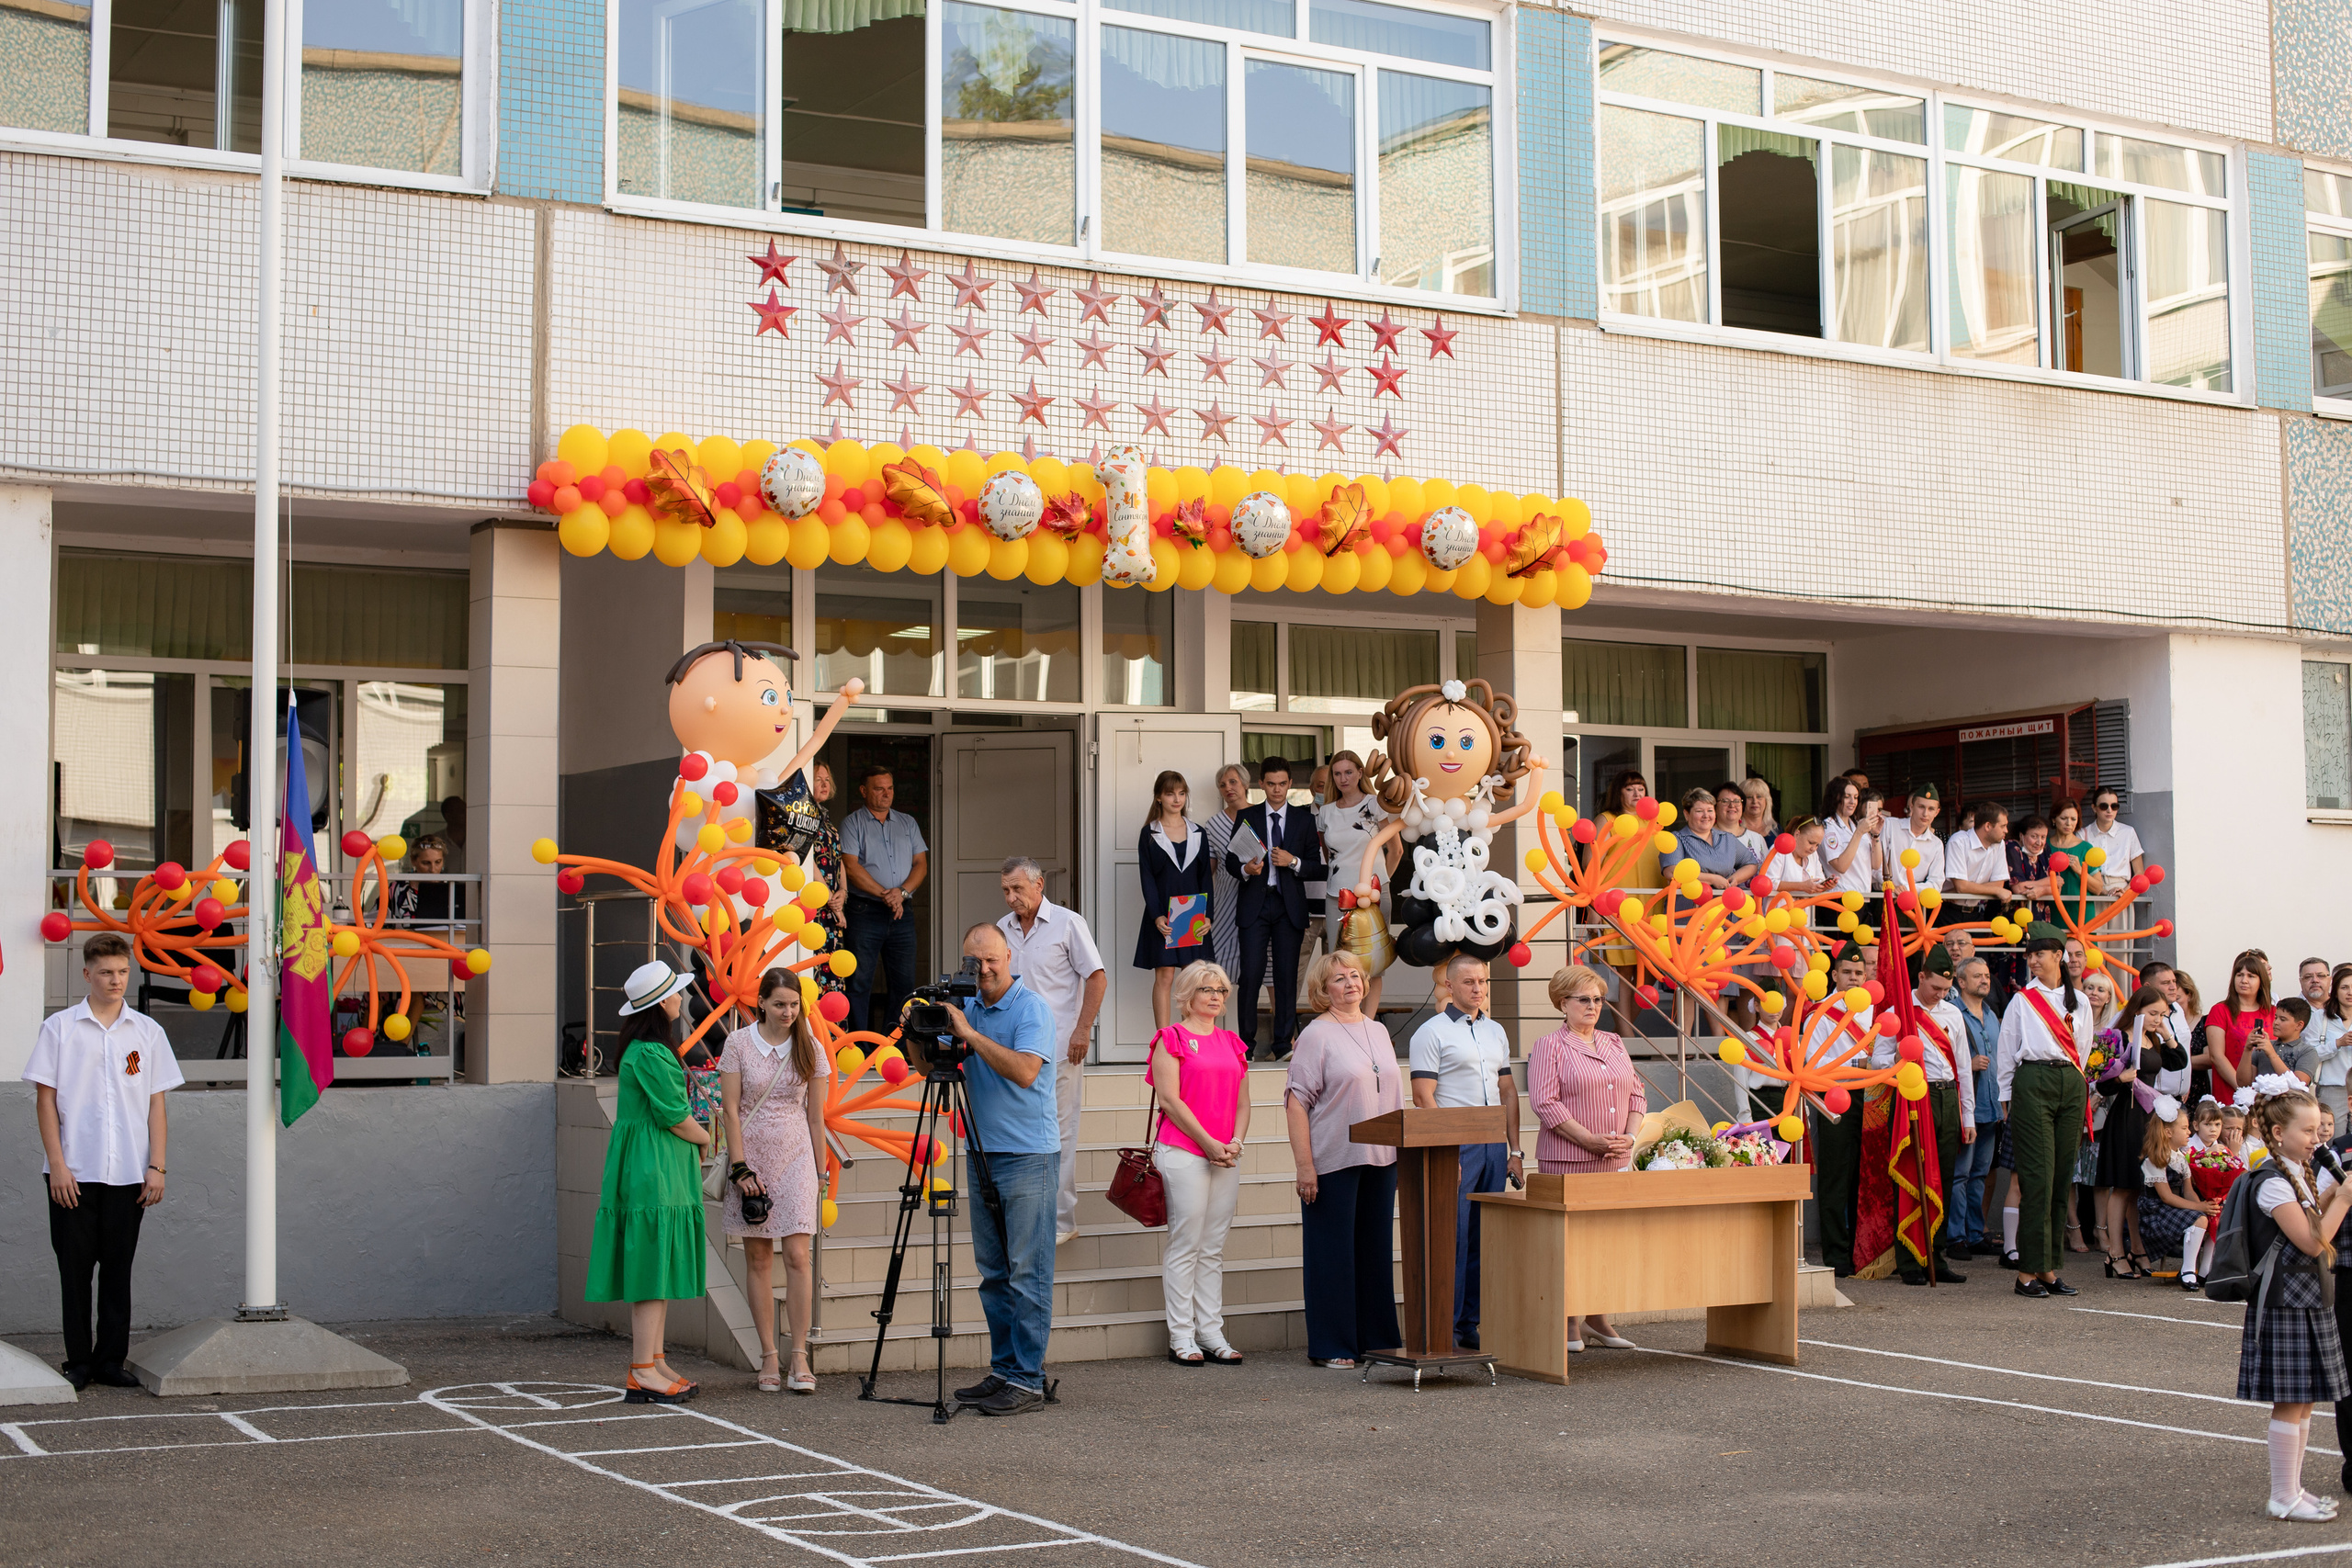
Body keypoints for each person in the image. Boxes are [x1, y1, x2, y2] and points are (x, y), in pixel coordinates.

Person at [26, 932, 177, 1391]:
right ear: (87, 973)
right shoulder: (60, 1029)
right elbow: (46, 1100)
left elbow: (156, 1104)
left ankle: (111, 1360)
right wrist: (57, 1165)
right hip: (74, 1172)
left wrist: (157, 1166)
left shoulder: (147, 1032)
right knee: (74, 1273)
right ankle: (78, 1362)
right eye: (106, 972)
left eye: (123, 972)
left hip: (128, 1173)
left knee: (117, 1269)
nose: (116, 981)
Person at [936, 924, 1061, 1416]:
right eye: (975, 962)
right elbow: (932, 1068)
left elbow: (1026, 1071)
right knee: (993, 1273)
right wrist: (919, 1033)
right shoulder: (965, 1006)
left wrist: (969, 1034)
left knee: (1027, 1273)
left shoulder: (1031, 1008)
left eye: (992, 960)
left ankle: (1028, 1380)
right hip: (981, 1152)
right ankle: (1006, 1370)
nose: (984, 970)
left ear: (1009, 956)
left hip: (1029, 1154)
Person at [586, 960, 711, 1404]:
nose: (680, 998)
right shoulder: (653, 1053)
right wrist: (706, 1138)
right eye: (675, 993)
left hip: (653, 1163)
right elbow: (674, 1115)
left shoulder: (641, 1050)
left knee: (655, 1263)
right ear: (660, 1004)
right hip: (655, 1166)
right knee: (652, 1267)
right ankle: (643, 1368)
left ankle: (653, 1362)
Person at [1286, 951, 1404, 1370]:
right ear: (1323, 989)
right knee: (1332, 1254)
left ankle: (1378, 1340)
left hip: (1382, 1158)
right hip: (1333, 1158)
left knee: (1375, 1252)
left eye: (1355, 975)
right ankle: (1332, 1343)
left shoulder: (1378, 1030)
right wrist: (1305, 1166)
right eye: (1339, 978)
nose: (1351, 983)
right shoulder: (1316, 1034)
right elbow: (1297, 1102)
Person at [2238, 1088, 2350, 1522]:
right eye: (2307, 1131)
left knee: (2304, 1401)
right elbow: (2310, 1242)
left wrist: (2330, 1195)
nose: (2316, 1138)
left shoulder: (2296, 1173)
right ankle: (2282, 1495)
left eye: (2319, 1129)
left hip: (2307, 1296)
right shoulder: (2271, 1181)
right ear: (2278, 1133)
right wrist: (2344, 1199)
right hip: (2285, 1300)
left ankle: (2294, 1489)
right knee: (2289, 1401)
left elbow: (2312, 1220)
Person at [1527, 964, 1645, 1348]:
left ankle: (1597, 1318)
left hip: (1614, 1161)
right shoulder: (1550, 1045)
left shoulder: (1614, 1041)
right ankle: (1567, 1321)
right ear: (1563, 1003)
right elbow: (1545, 1103)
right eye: (1584, 999)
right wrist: (1589, 1140)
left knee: (1605, 1244)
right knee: (1568, 1245)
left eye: (1598, 999)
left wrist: (1630, 1136)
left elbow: (1637, 1094)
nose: (1593, 1006)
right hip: (1569, 1161)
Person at [720, 969, 828, 1394]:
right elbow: (730, 1110)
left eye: (794, 1004)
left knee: (798, 1255)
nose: (788, 1012)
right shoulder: (738, 1043)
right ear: (761, 1002)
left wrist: (820, 1171)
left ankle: (799, 1354)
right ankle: (768, 1354)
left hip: (797, 1156)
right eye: (780, 1004)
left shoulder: (810, 1046)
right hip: (751, 1158)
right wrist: (740, 1168)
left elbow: (816, 1116)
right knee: (759, 1258)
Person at [1408, 953, 1521, 1351]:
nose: (1478, 989)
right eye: (1469, 982)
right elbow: (1423, 1096)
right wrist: (1445, 1151)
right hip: (1456, 1141)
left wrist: (1515, 1150)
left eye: (1483, 981)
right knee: (1453, 1236)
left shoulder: (1496, 1031)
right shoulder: (1431, 1032)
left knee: (1483, 1237)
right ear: (1449, 986)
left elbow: (1508, 1091)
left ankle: (1469, 1323)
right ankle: (1445, 1326)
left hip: (1493, 1141)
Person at [996, 857, 1106, 1250]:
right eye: (1006, 890)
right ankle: (1024, 1214)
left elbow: (1096, 977)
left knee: (1060, 1134)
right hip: (1014, 1054)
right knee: (1019, 1133)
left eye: (1018, 888)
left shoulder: (1068, 923)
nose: (1011, 897)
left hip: (1060, 1049)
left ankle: (1062, 1220)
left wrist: (1083, 1030)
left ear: (1039, 884)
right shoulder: (1001, 929)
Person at [1148, 961, 1252, 1367]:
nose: (1215, 996)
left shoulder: (1232, 1042)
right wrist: (1208, 1143)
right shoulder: (1170, 1038)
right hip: (1183, 1151)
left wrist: (1235, 1142)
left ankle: (1211, 1332)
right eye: (1207, 989)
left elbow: (1243, 1102)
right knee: (1186, 1245)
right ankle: (1181, 1335)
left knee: (1212, 1248)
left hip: (1225, 1155)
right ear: (1187, 994)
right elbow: (1169, 1101)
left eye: (1221, 990)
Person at [1998, 932, 2095, 1298]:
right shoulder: (2022, 1000)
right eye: (2030, 955)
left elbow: (2083, 1048)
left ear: (2058, 956)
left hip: (2070, 1081)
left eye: (2040, 954)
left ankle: (2048, 1268)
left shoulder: (2080, 1000)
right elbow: (2007, 1049)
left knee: (2060, 1176)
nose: (2033, 961)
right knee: (2037, 1177)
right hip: (2034, 1078)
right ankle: (2026, 1272)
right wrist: (2005, 1095)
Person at [1226, 757, 1323, 1060]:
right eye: (1271, 784)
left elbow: (1316, 866)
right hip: (1255, 904)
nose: (1277, 789)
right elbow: (1231, 860)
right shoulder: (1247, 815)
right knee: (1250, 977)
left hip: (1288, 906)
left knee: (1286, 976)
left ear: (1290, 783)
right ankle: (1244, 1047)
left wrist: (1293, 861)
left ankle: (1283, 1045)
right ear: (1261, 784)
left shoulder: (1304, 820)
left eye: (1282, 784)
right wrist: (1246, 869)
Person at [1893, 948, 1973, 1285]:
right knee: (1913, 1173)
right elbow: (1880, 1060)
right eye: (1935, 987)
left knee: (1945, 1177)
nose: (1940, 995)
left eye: (1945, 989)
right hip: (1915, 1097)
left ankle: (1936, 1257)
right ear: (1921, 977)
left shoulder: (1953, 1013)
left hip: (1947, 1096)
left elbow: (1964, 1067)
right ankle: (1909, 1261)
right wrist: (1903, 1061)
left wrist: (1968, 1116)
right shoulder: (1899, 1010)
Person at [2095, 983, 2183, 1277]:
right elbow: (2102, 1084)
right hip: (2126, 1115)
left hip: (2148, 1117)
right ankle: (2115, 1253)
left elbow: (2178, 1061)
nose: (2158, 1019)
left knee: (2137, 1187)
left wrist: (2166, 1033)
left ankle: (2138, 1249)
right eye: (2153, 1013)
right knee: (2122, 1186)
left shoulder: (2152, 1038)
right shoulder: (2120, 1037)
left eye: (2162, 1014)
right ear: (2137, 1010)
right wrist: (2120, 1078)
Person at [840, 764, 928, 1032]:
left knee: (904, 984)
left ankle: (894, 1043)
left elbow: (921, 864)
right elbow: (851, 867)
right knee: (859, 982)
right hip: (864, 911)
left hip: (902, 912)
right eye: (879, 789)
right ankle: (860, 1046)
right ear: (864, 791)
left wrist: (901, 894)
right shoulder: (852, 823)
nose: (886, 794)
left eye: (890, 788)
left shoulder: (907, 823)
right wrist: (887, 895)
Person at [1810, 941, 1875, 1276]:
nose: (1853, 978)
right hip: (1835, 1095)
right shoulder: (1819, 1012)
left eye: (1859, 972)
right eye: (1847, 972)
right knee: (1836, 1176)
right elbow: (1812, 1061)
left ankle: (1861, 1249)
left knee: (1866, 1177)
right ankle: (1836, 1253)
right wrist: (1852, 1068)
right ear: (1834, 975)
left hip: (1872, 1094)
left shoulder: (1875, 1010)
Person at [1317, 750, 1397, 1018]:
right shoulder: (1325, 812)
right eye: (1337, 773)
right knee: (1337, 964)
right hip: (1337, 895)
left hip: (1374, 895)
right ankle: (1344, 1020)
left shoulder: (1376, 804)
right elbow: (1330, 856)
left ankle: (1368, 1024)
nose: (1343, 778)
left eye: (1349, 772)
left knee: (1374, 963)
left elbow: (1396, 850)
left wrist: (1380, 883)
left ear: (1360, 773)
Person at [1135, 771, 1208, 1032]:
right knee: (1165, 976)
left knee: (1192, 978)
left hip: (1192, 913)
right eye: (1170, 794)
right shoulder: (1149, 833)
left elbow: (1205, 877)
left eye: (1181, 793)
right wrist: (1157, 915)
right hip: (1163, 915)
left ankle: (1191, 1036)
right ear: (1159, 797)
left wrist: (1207, 915)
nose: (1177, 799)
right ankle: (1163, 1040)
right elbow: (1147, 878)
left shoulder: (1198, 832)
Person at [1947, 954, 2003, 1260]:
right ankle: (1955, 1237)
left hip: (1991, 1108)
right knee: (1960, 1175)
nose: (1984, 980)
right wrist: (1967, 1065)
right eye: (1977, 976)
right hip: (1965, 1108)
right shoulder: (1952, 1013)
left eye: (1987, 975)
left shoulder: (1992, 1015)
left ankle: (1974, 1233)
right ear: (1961, 982)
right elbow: (1939, 1060)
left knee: (1980, 1173)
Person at [1596, 771, 1666, 988]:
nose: (1636, 793)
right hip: (1618, 905)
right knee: (1625, 974)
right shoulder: (1607, 819)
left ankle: (1628, 1016)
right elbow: (1592, 865)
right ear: (1618, 792)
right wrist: (1594, 906)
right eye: (1630, 789)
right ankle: (1624, 1015)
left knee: (1651, 972)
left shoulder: (1655, 822)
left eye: (1641, 789)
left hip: (1652, 906)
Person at [2137, 1096, 2207, 1278]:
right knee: (2200, 1219)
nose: (2189, 1132)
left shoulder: (2180, 1158)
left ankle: (2206, 1270)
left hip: (2172, 1208)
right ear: (2168, 1132)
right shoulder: (2155, 1159)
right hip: (2156, 1213)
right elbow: (2166, 1197)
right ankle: (2188, 1271)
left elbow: (2188, 1192)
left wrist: (2204, 1208)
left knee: (2209, 1218)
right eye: (2184, 1128)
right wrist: (2198, 1208)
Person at [2202, 950, 2280, 1100]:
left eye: (2251, 976)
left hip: (2267, 1095)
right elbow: (2217, 1056)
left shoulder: (2274, 1012)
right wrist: (2244, 1091)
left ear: (2262, 981)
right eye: (2239, 975)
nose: (2244, 980)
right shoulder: (2220, 1010)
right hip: (2232, 1094)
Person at [1200, 763, 1250, 995]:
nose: (1228, 788)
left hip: (1258, 900)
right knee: (1217, 962)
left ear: (1245, 784)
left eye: (1233, 782)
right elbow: (1208, 869)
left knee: (1264, 964)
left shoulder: (1261, 815)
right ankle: (1215, 1012)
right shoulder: (1213, 824)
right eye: (1222, 785)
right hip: (1225, 901)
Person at [1660, 787, 1762, 895]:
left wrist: (1735, 878)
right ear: (1687, 814)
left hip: (1723, 903)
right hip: (1690, 903)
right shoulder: (1677, 839)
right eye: (1699, 811)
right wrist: (1712, 879)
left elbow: (1751, 863)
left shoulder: (1727, 838)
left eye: (1710, 810)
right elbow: (1671, 872)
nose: (1706, 816)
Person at [806, 761, 849, 977]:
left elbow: (837, 857)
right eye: (818, 780)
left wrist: (843, 891)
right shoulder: (805, 815)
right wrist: (831, 899)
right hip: (816, 903)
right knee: (817, 962)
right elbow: (807, 859)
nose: (824, 784)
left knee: (833, 964)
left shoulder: (824, 815)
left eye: (827, 780)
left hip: (831, 902)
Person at [1818, 777, 1877, 908]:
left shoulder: (1856, 824)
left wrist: (1876, 834)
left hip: (1863, 897)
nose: (1852, 802)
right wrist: (1859, 833)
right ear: (1835, 797)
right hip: (1841, 898)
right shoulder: (1828, 827)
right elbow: (1841, 866)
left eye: (1855, 797)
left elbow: (1876, 864)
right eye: (1847, 797)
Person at [1944, 803, 2012, 912]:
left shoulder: (2000, 844)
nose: (2006, 830)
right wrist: (1995, 890)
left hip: (1976, 910)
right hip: (1948, 909)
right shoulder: (1958, 841)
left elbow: (1999, 884)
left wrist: (1963, 888)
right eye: (2002, 826)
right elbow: (1961, 887)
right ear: (1988, 826)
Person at [1879, 784, 1944, 896]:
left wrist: (1908, 889)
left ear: (1936, 812)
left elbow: (1936, 883)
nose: (1925, 814)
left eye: (1931, 809)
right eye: (1921, 807)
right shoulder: (1890, 825)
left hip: (1913, 899)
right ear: (1912, 806)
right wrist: (1890, 885)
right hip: (1882, 896)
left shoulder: (1936, 844)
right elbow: (1875, 864)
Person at [390, 835, 464, 930]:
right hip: (405, 939)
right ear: (413, 861)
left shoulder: (453, 887)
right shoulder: (396, 889)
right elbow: (375, 921)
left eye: (438, 862)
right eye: (426, 863)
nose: (433, 869)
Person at [2081, 786, 2146, 882]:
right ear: (2094, 808)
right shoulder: (2083, 834)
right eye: (2104, 806)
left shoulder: (2128, 832)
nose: (2109, 810)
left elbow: (2139, 872)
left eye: (2114, 806)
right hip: (2092, 885)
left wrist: (2125, 889)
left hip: (2120, 884)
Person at [2046, 798, 2105, 904]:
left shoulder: (2085, 848)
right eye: (2063, 818)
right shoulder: (2044, 845)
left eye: (2073, 819)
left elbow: (2098, 889)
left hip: (2081, 909)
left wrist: (2079, 870)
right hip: (2050, 908)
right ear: (2054, 819)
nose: (2068, 823)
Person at [2315, 964, 2352, 1120]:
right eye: (2344, 987)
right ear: (2335, 991)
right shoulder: (2321, 1017)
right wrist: (2337, 1043)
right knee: (2332, 1134)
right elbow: (2310, 1054)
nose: (2350, 992)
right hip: (2332, 1089)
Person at [2006, 815, 2055, 922]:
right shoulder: (2012, 847)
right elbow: (2019, 888)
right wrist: (2048, 882)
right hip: (2014, 918)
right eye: (2034, 836)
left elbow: (2057, 888)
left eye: (2043, 837)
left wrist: (2042, 891)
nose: (2039, 842)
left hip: (2039, 918)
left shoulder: (2046, 849)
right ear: (2021, 835)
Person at [1716, 783, 1766, 861]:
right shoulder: (1707, 837)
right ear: (1715, 806)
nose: (1732, 805)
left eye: (1737, 801)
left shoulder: (1757, 838)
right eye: (1725, 801)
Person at [1740, 776, 1778, 843]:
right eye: (1749, 797)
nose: (1755, 801)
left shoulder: (1776, 829)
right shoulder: (1734, 829)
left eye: (1759, 797)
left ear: (1766, 801)